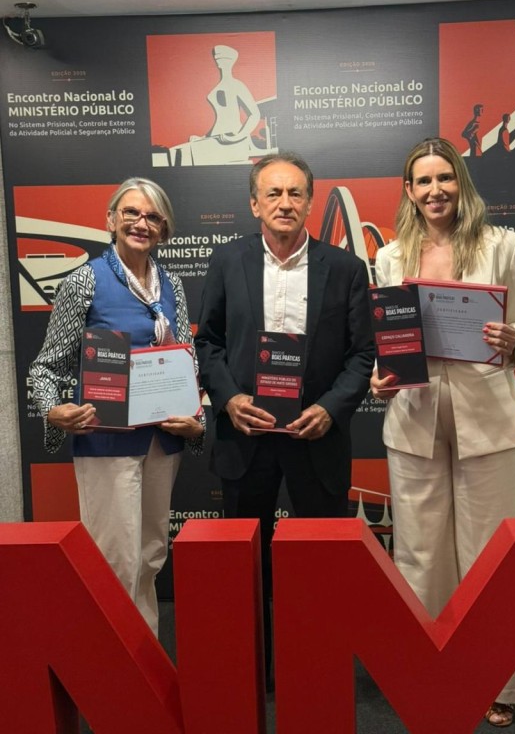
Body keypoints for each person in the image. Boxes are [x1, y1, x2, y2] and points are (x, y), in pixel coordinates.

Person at [370, 138, 515, 728]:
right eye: (423, 181)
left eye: (445, 178)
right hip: (414, 415)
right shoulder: (391, 257)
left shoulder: (502, 245)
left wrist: (514, 339)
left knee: (491, 554)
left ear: (460, 182)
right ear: (409, 191)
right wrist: (380, 379)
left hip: (487, 416)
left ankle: (497, 681)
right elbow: (390, 338)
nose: (435, 190)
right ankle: (428, 669)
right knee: (419, 552)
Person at [195, 150, 374, 687]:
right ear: (254, 203)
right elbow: (208, 343)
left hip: (315, 437)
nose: (285, 202)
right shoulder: (228, 260)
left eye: (296, 193)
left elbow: (362, 354)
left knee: (321, 563)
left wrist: (330, 408)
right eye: (273, 193)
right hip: (245, 435)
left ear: (311, 202)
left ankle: (318, 671)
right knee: (247, 565)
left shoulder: (345, 268)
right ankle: (253, 671)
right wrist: (228, 399)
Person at [30, 177, 205, 636]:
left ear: (164, 229)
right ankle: (110, 663)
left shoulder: (172, 284)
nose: (141, 223)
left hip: (162, 441)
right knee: (114, 560)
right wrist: (53, 410)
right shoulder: (85, 281)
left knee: (150, 556)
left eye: (152, 217)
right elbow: (46, 367)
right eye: (131, 213)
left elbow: (186, 359)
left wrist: (197, 418)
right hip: (106, 441)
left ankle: (143, 658)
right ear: (111, 220)